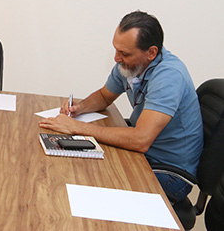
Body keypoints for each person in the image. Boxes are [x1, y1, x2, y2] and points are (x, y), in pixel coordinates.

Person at [39, 10, 203, 205]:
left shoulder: (169, 76)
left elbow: (141, 140)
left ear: (151, 53)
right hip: (143, 155)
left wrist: (77, 127)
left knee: (90, 186)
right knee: (76, 166)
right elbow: (103, 96)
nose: (116, 58)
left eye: (124, 53)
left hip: (169, 172)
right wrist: (79, 108)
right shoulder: (131, 65)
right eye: (116, 49)